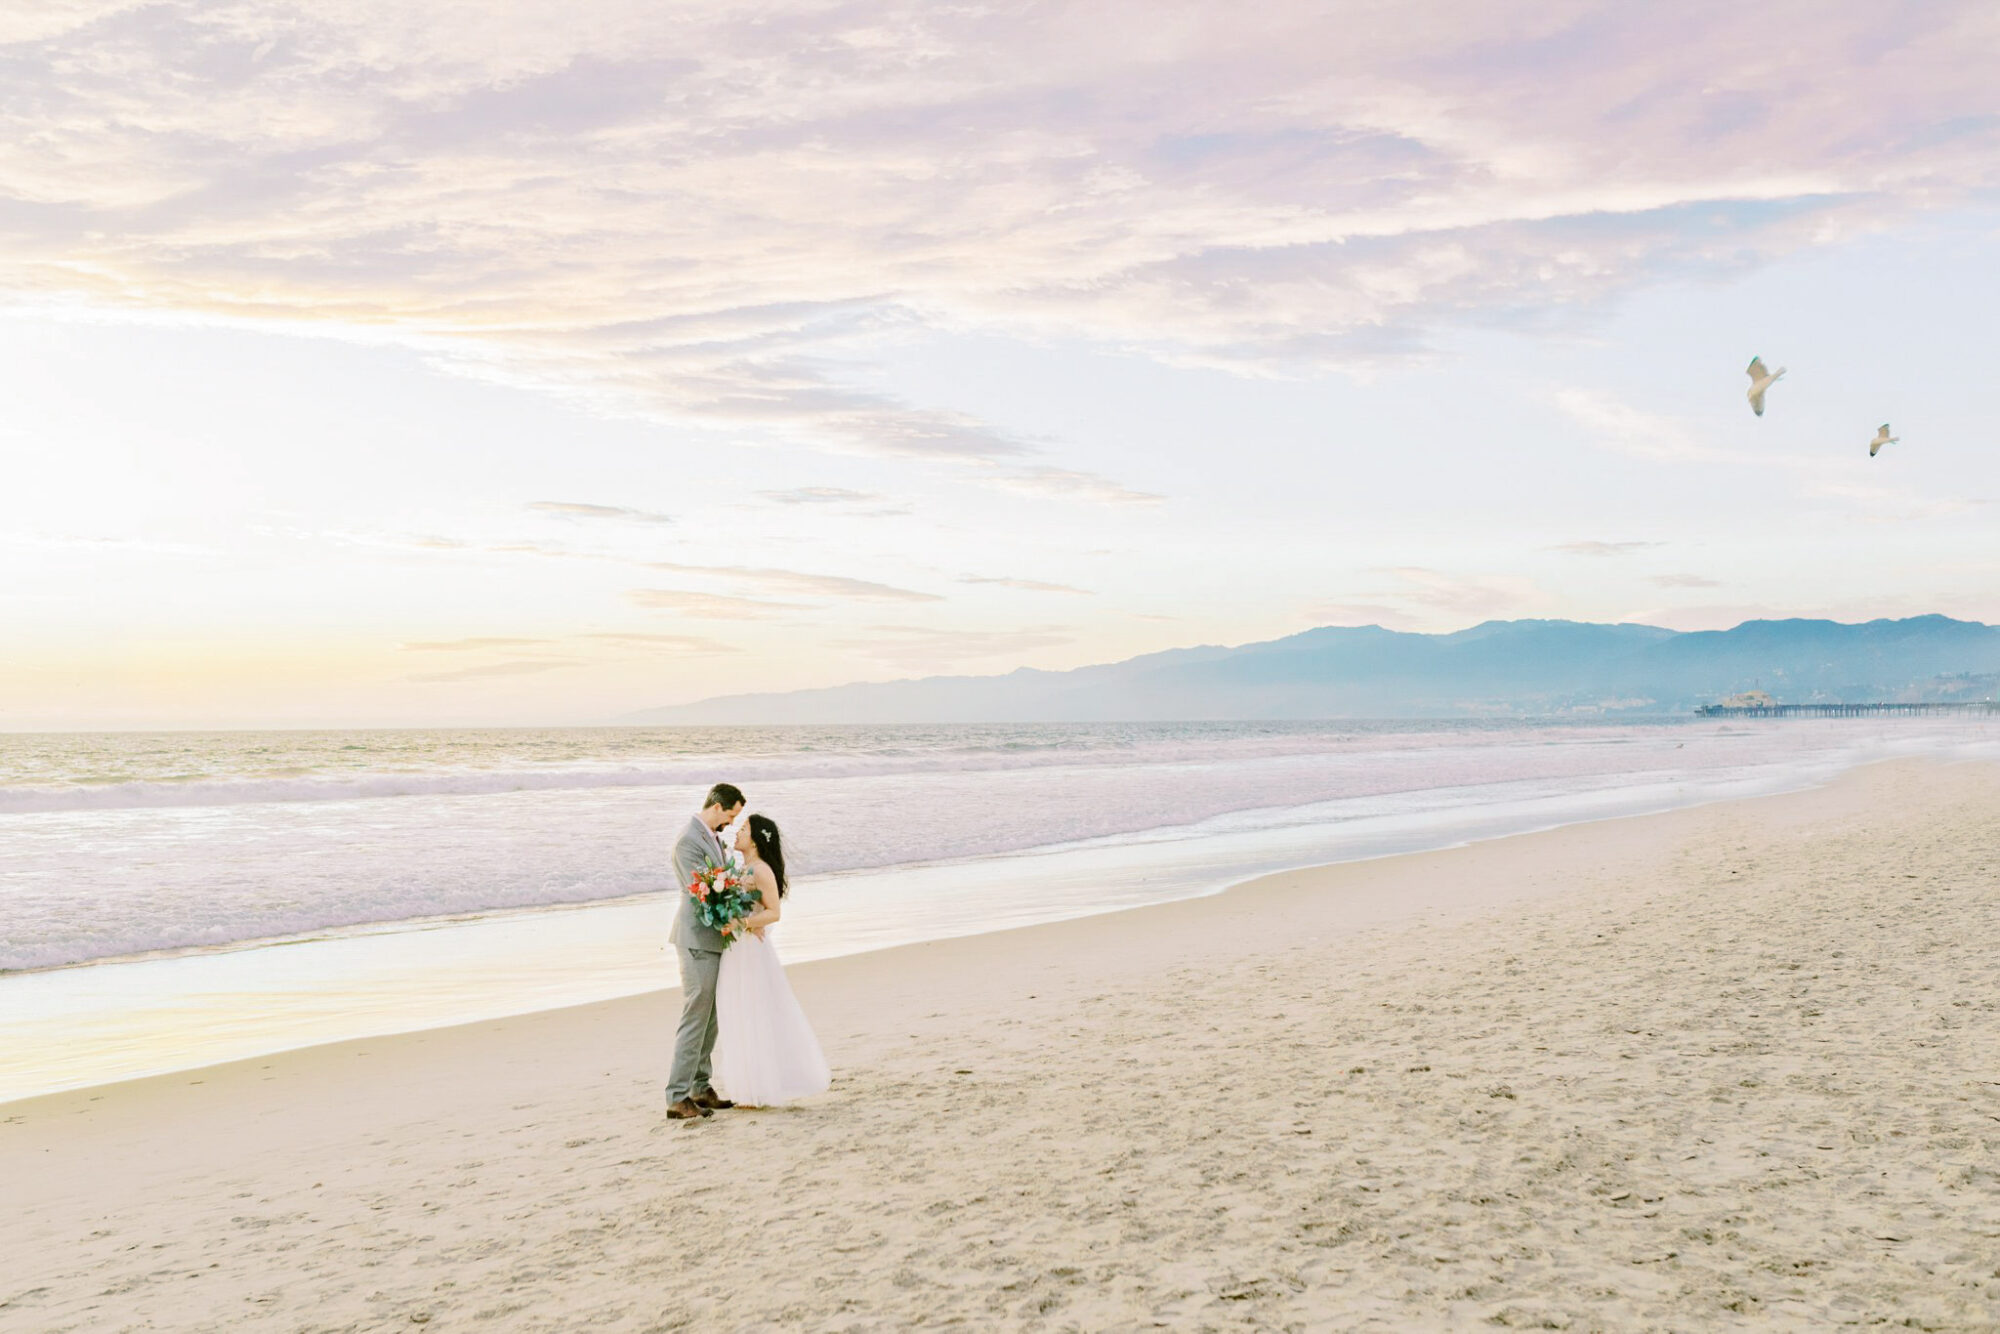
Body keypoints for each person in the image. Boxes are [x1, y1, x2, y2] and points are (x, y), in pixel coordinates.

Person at [710, 814, 830, 1108]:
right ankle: (747, 1087)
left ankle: (758, 1089)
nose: (737, 832)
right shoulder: (743, 868)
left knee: (752, 1012)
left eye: (744, 828)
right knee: (736, 1011)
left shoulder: (761, 870)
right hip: (737, 948)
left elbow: (774, 912)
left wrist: (743, 922)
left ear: (756, 838)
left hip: (750, 951)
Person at [664, 782, 745, 1121]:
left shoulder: (712, 837)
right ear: (715, 806)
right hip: (696, 938)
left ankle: (700, 1086)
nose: (730, 823)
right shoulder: (687, 841)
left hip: (713, 939)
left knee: (711, 1014)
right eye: (730, 814)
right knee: (696, 1014)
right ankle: (677, 1095)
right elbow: (704, 892)